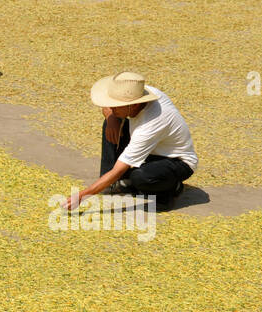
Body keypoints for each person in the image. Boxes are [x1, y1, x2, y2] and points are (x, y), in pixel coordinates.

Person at [64, 71, 196, 211]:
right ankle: (113, 183)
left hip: (177, 161)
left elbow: (118, 169)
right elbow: (106, 106)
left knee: (140, 177)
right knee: (111, 124)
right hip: (151, 150)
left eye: (116, 105)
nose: (111, 107)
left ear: (133, 105)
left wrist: (82, 196)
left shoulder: (150, 125)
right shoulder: (138, 92)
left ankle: (169, 191)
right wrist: (112, 118)